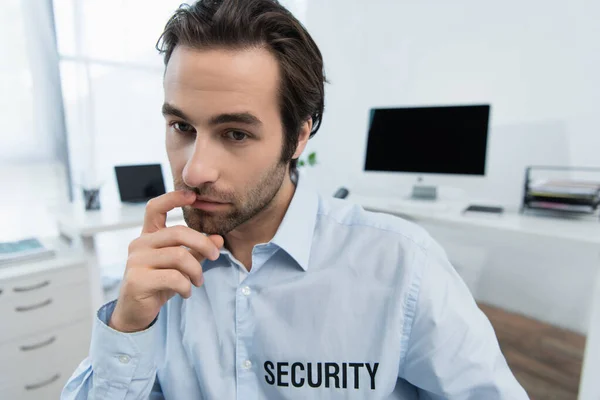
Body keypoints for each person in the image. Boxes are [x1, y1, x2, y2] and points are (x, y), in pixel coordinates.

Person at [62, 0, 528, 398]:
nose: (193, 169)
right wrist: (127, 327)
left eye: (236, 133)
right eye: (182, 127)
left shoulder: (403, 268)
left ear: (299, 135)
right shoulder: (155, 276)